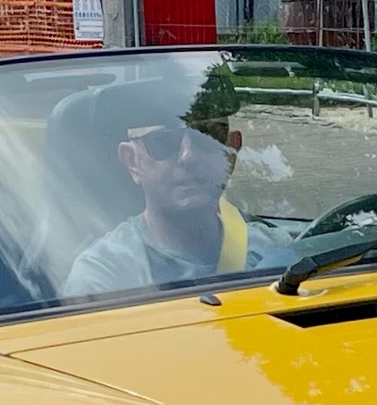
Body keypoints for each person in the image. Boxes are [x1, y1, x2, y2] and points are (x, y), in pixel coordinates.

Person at [62, 81, 279, 297]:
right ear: (132, 162)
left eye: (208, 137)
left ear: (231, 152)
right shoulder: (102, 280)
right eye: (165, 142)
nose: (188, 156)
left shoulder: (277, 254)